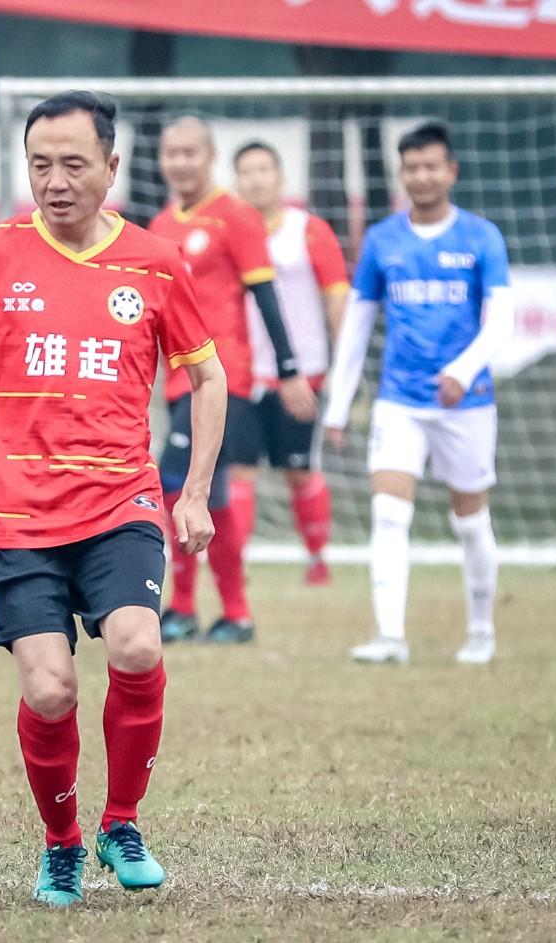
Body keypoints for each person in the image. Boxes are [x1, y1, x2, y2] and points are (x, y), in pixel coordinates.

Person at [0, 90, 225, 907]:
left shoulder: (154, 262)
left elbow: (208, 375)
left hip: (121, 500)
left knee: (138, 646)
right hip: (15, 511)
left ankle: (122, 822)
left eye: (74, 164)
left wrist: (193, 493)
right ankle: (61, 842)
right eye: (40, 164)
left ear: (112, 168)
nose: (55, 181)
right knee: (50, 688)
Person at [324, 121, 511, 666]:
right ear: (401, 174)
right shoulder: (382, 240)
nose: (422, 176)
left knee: (470, 522)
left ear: (451, 171)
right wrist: (338, 406)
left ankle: (481, 630)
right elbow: (357, 326)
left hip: (466, 402)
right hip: (399, 401)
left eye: (431, 166)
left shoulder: (482, 237)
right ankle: (390, 638)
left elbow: (502, 320)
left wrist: (463, 371)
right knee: (388, 514)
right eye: (411, 168)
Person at [150, 116, 316, 644]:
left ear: (211, 156)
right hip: (178, 379)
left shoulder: (237, 218)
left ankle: (180, 606)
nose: (180, 162)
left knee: (172, 480)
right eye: (171, 153)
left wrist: (288, 370)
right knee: (212, 494)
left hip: (223, 379)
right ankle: (237, 614)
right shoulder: (159, 226)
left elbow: (267, 299)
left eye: (190, 153)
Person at [232, 140, 349, 585]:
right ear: (237, 181)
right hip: (243, 374)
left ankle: (317, 558)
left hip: (302, 374)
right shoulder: (230, 233)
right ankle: (235, 564)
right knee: (239, 471)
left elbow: (337, 298)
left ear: (280, 178)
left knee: (298, 470)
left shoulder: (309, 230)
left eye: (263, 169)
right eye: (246, 171)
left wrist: (342, 368)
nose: (256, 179)